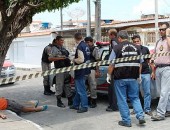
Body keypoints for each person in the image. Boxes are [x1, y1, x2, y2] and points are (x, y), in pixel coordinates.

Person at [107, 30, 145, 127]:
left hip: (120, 78)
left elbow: (111, 64)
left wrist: (108, 75)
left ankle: (126, 121)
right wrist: (139, 75)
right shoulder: (137, 47)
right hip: (133, 77)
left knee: (122, 99)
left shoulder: (116, 48)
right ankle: (140, 116)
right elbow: (140, 63)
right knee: (135, 97)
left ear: (119, 38)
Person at [151, 22, 170, 121]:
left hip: (167, 68)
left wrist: (168, 35)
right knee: (161, 92)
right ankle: (168, 109)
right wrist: (153, 70)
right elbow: (155, 54)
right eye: (160, 29)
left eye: (163, 29)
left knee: (164, 92)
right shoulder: (158, 41)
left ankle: (160, 113)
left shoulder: (168, 39)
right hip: (158, 68)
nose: (161, 31)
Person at [132, 34, 154, 116]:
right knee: (135, 92)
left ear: (140, 41)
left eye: (138, 41)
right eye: (135, 42)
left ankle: (147, 109)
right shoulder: (132, 50)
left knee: (147, 92)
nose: (137, 43)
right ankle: (136, 109)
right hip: (135, 74)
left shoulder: (145, 49)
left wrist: (153, 72)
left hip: (145, 73)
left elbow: (149, 61)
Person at [48, 36, 73, 108]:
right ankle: (59, 101)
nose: (62, 41)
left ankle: (70, 101)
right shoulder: (54, 49)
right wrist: (61, 58)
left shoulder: (63, 48)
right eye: (61, 40)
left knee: (67, 85)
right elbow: (50, 58)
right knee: (59, 85)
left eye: (63, 40)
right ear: (57, 41)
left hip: (66, 69)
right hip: (59, 70)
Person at [70, 33, 91, 113]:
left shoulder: (80, 46)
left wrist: (73, 59)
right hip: (86, 70)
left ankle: (84, 106)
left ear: (75, 38)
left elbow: (81, 60)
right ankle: (75, 104)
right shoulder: (86, 45)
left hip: (80, 71)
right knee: (78, 89)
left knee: (81, 90)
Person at [84, 36, 100, 108]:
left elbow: (97, 61)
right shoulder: (84, 49)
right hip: (85, 69)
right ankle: (88, 100)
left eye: (88, 42)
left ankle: (94, 101)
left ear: (91, 42)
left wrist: (97, 71)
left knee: (93, 86)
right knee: (86, 86)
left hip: (92, 70)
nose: (87, 44)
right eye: (86, 42)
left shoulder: (95, 49)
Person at [106, 29, 119, 112]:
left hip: (114, 68)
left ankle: (113, 106)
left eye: (109, 35)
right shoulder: (117, 41)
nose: (108, 36)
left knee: (112, 88)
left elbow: (114, 55)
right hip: (118, 68)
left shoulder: (114, 42)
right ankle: (114, 105)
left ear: (112, 35)